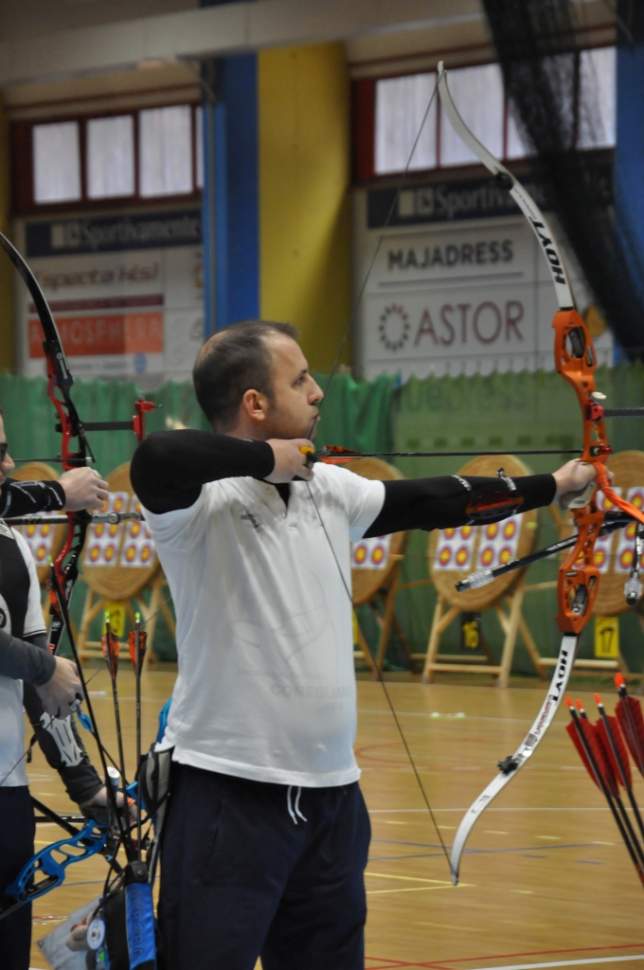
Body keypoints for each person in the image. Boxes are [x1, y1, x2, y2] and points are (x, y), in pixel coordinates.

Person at [130, 320, 598, 970]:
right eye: (300, 380)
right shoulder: (197, 507)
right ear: (255, 404)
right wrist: (270, 460)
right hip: (227, 795)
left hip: (332, 799)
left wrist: (554, 485)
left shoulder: (331, 491)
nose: (318, 393)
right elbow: (156, 457)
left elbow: (436, 500)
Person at [0, 410, 116, 970]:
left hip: (4, 795)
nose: (6, 464)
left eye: (6, 449)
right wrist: (53, 492)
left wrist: (86, 785)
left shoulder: (13, 549)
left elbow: (40, 689)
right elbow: (39, 670)